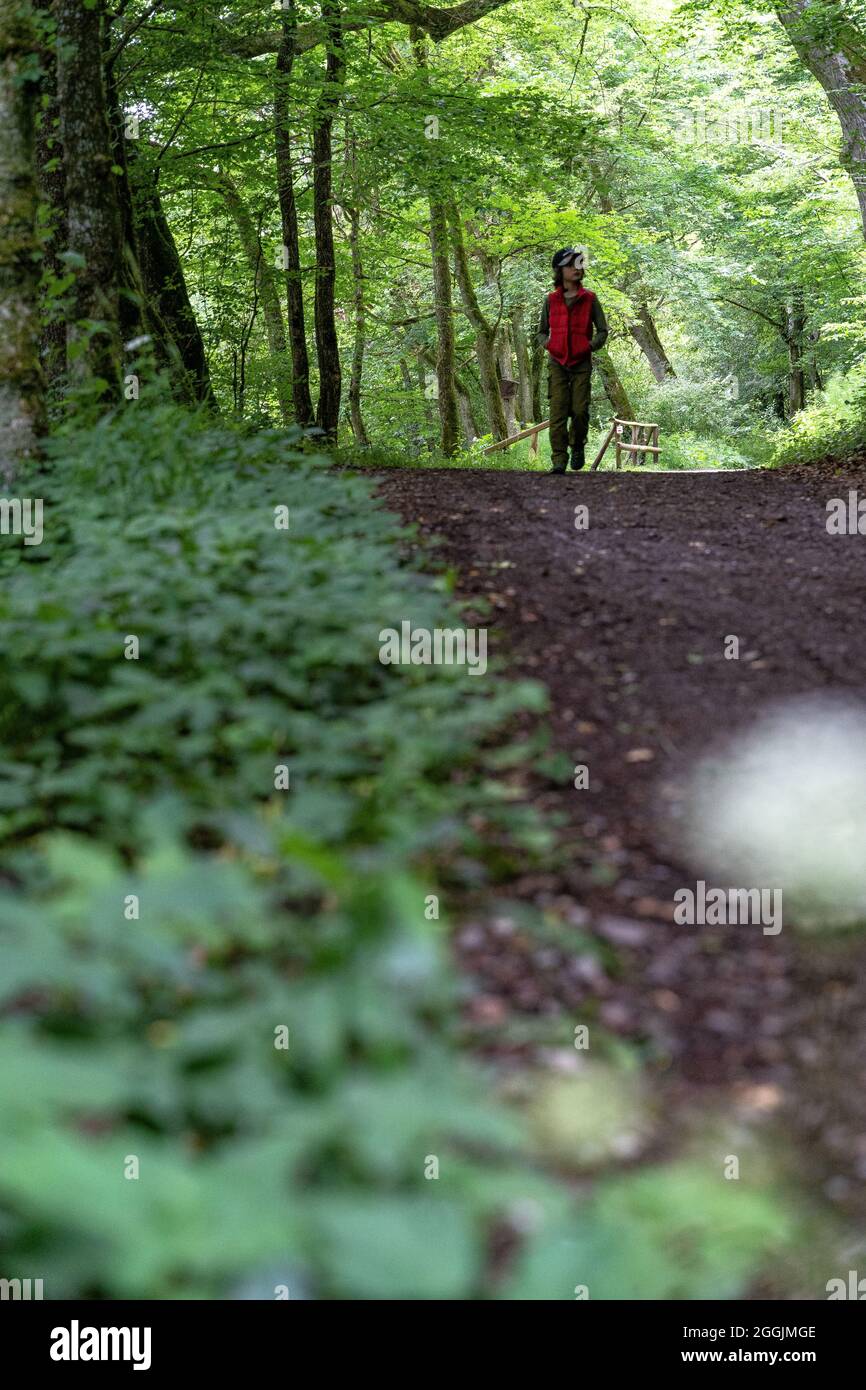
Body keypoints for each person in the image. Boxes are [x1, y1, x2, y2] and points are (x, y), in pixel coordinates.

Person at [536, 248, 608, 473]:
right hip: (557, 363)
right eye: (570, 265)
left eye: (579, 264)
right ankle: (559, 460)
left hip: (581, 363)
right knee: (557, 411)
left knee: (579, 410)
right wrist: (549, 345)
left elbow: (602, 331)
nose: (577, 269)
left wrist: (588, 346)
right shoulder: (551, 300)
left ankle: (577, 445)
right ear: (560, 270)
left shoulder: (589, 299)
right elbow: (540, 332)